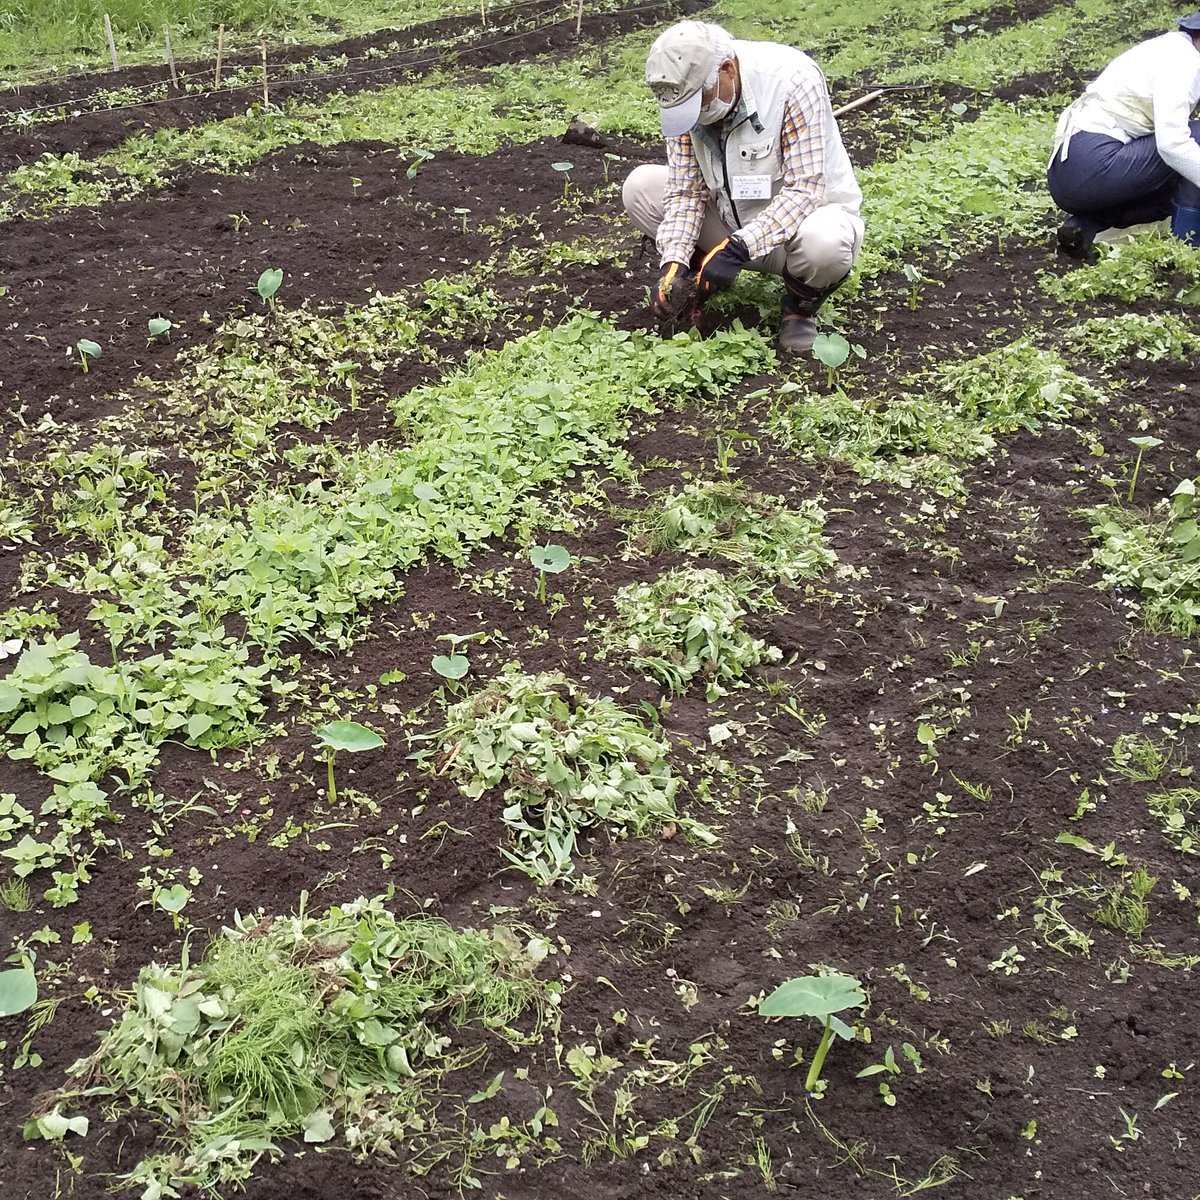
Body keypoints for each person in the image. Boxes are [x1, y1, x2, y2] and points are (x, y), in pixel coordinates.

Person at [622, 20, 864, 352]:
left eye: (698, 103)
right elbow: (685, 191)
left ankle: (799, 309)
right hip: (730, 226)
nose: (693, 117)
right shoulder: (684, 96)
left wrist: (739, 247)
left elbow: (805, 189)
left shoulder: (791, 80)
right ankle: (700, 278)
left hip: (798, 234)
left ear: (726, 70)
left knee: (827, 244)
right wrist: (673, 260)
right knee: (640, 187)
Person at [1048, 10, 1200, 259]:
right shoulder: (1184, 63)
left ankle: (1087, 227)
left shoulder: (1173, 48)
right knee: (1192, 145)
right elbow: (1173, 143)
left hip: (1071, 169)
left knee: (1182, 173)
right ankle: (1189, 243)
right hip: (1091, 160)